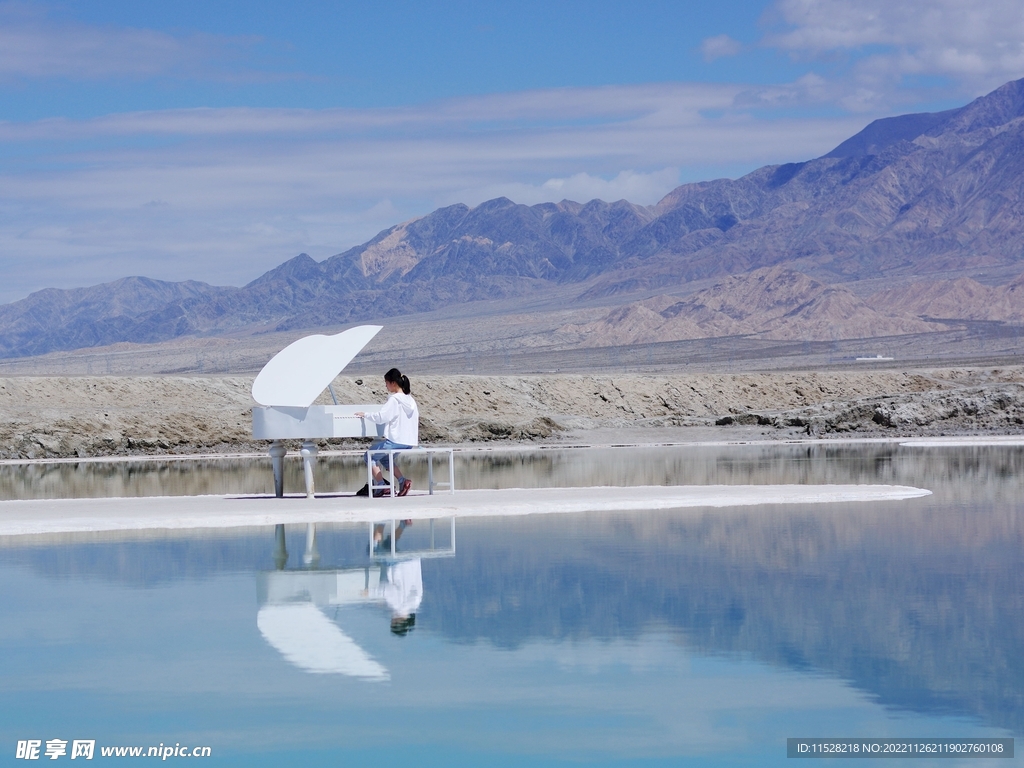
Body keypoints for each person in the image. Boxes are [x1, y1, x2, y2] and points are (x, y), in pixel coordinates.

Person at [355, 368, 419, 497]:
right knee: (385, 459)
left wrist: (365, 414)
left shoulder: (394, 400)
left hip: (396, 440)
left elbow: (381, 417)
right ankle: (403, 481)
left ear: (393, 383)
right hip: (409, 441)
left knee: (369, 456)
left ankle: (381, 486)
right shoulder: (411, 400)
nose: (385, 386)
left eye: (386, 383)